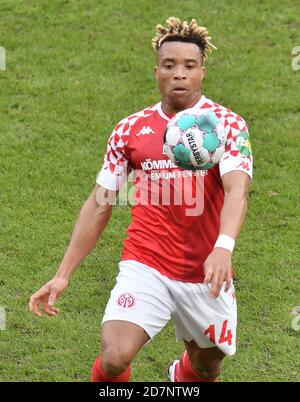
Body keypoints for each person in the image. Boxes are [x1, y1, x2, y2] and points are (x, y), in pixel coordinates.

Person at [29, 17, 253, 382]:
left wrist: (223, 247)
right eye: (169, 66)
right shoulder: (130, 130)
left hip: (206, 272)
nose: (179, 74)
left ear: (202, 72)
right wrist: (62, 274)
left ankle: (179, 373)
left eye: (189, 66)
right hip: (146, 264)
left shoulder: (227, 125)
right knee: (115, 356)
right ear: (156, 72)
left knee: (205, 365)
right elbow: (100, 202)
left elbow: (236, 190)